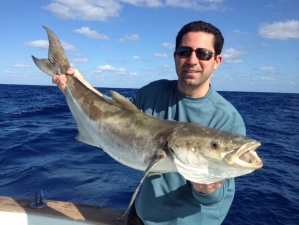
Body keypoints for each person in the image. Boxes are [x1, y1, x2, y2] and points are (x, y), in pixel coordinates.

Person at [53, 21, 246, 225]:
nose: (192, 60)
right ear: (175, 57)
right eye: (184, 52)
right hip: (141, 216)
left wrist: (204, 188)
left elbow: (216, 197)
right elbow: (116, 114)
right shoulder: (155, 91)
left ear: (217, 61)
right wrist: (76, 84)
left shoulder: (227, 119)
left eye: (203, 54)